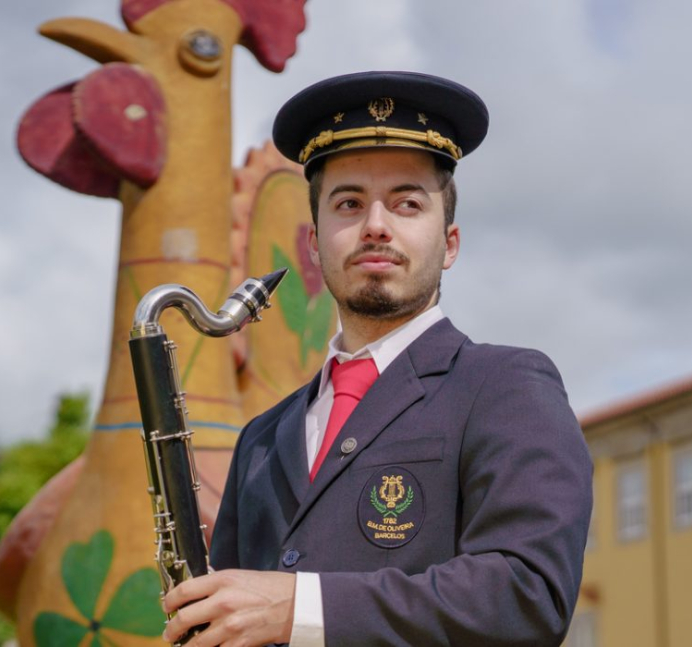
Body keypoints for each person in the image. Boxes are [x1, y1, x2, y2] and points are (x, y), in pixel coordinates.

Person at [162, 71, 593, 646]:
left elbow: (528, 594)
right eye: (348, 203)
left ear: (450, 244)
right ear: (314, 244)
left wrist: (299, 607)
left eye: (407, 204)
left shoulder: (506, 385)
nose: (375, 227)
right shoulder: (260, 439)